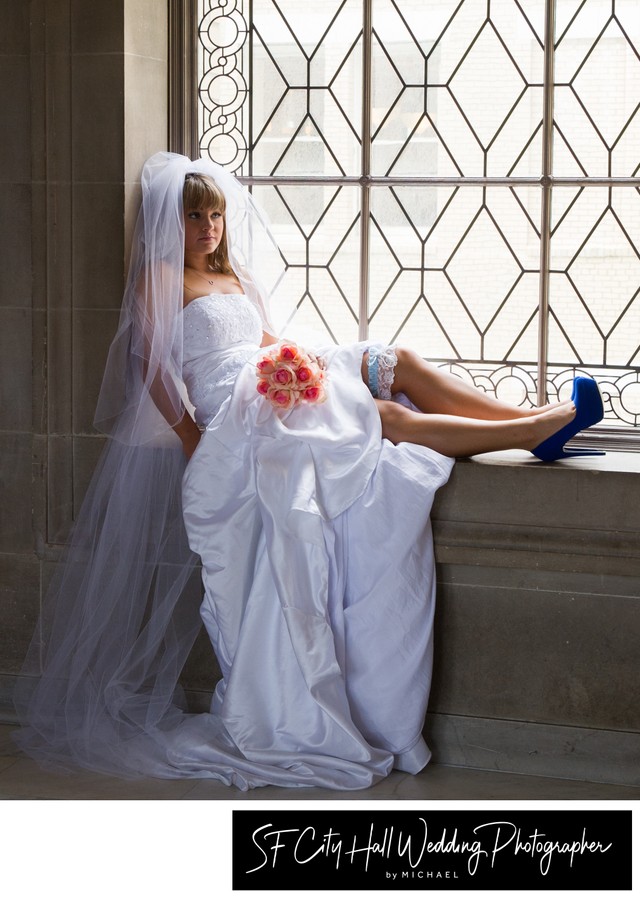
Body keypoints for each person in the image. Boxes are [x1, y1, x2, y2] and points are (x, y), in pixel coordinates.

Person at [13, 152, 604, 791]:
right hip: (234, 410)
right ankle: (533, 431)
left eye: (215, 215)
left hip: (273, 381)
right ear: (167, 224)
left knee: (390, 360)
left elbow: (265, 342)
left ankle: (531, 417)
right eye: (194, 216)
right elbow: (156, 370)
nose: (209, 227)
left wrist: (307, 362)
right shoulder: (159, 277)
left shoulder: (227, 274)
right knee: (382, 417)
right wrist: (193, 440)